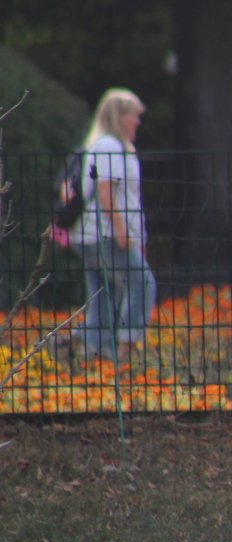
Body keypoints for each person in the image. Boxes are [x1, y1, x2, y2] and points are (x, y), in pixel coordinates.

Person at [67, 88, 156, 362]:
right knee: (142, 282)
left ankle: (91, 351)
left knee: (104, 293)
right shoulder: (109, 146)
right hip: (105, 234)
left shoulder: (105, 145)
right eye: (134, 116)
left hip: (90, 235)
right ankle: (125, 347)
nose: (138, 122)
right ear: (120, 116)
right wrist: (122, 231)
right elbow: (106, 193)